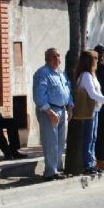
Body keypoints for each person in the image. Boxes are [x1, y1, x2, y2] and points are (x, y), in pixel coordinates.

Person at [73, 50, 104, 175]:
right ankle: (87, 164)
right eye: (95, 59)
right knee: (88, 138)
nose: (97, 62)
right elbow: (93, 94)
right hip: (88, 111)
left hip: (95, 110)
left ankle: (92, 162)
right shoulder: (86, 75)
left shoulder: (91, 75)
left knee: (93, 137)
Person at [33, 48, 74, 181]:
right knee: (51, 142)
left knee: (60, 142)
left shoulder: (61, 73)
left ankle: (56, 169)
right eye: (54, 56)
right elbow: (39, 95)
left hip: (62, 110)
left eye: (58, 55)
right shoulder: (42, 73)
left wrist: (70, 106)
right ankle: (50, 172)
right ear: (47, 58)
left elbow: (68, 90)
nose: (57, 58)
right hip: (49, 111)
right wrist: (49, 112)